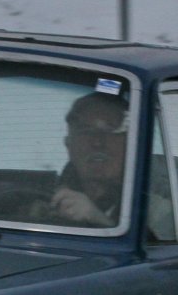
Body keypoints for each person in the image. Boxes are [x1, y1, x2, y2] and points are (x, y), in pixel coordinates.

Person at [49, 91, 131, 227]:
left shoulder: (155, 209)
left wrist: (99, 220)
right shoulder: (43, 197)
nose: (97, 142)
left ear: (130, 144)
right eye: (86, 132)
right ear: (69, 145)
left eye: (110, 130)